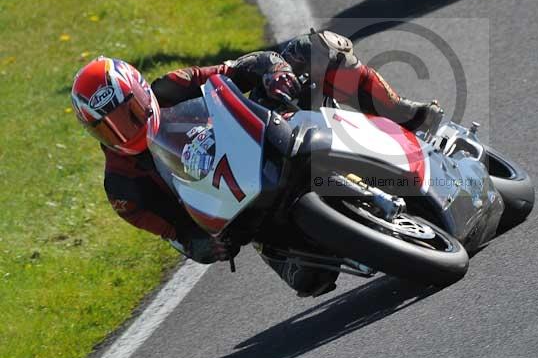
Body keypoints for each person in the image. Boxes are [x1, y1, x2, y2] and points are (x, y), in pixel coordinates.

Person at [70, 29, 442, 296]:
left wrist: (274, 70)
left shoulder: (171, 86)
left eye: (129, 113)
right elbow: (174, 233)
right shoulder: (122, 188)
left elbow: (237, 69)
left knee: (316, 48)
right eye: (109, 129)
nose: (125, 131)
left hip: (264, 135)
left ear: (141, 92)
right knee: (308, 279)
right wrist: (199, 246)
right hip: (242, 212)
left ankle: (401, 114)